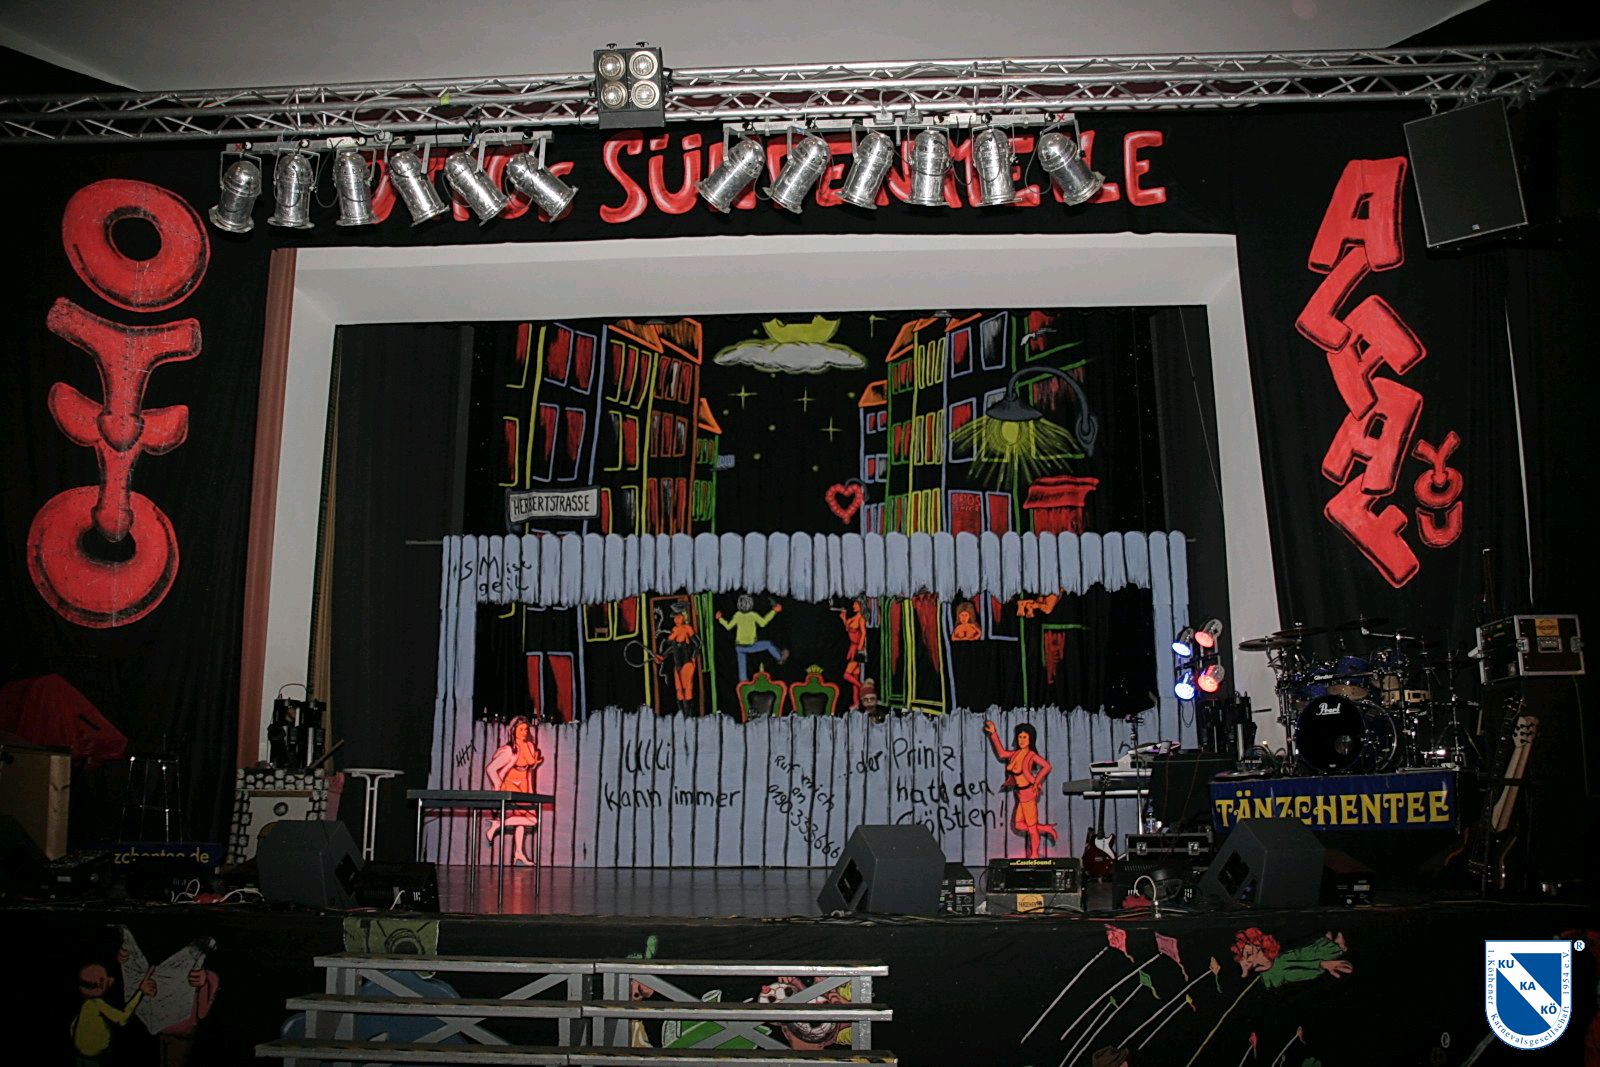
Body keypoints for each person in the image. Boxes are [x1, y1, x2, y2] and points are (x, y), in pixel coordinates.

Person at [983, 720, 1057, 858]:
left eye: (1025, 737)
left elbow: (1047, 766)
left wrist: (1037, 781)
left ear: (1030, 739)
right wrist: (993, 733)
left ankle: (1034, 854)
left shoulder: (1031, 755)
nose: (1021, 740)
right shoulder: (1015, 754)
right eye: (1019, 737)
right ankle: (1045, 828)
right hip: (1020, 794)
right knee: (1018, 825)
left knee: (1031, 828)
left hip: (1028, 793)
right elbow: (1001, 753)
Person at [484, 716, 543, 866]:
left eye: (526, 729)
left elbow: (529, 769)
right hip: (509, 783)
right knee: (533, 820)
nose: (524, 732)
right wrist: (497, 785)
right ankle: (498, 825)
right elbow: (490, 769)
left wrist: (530, 791)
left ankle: (518, 853)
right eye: (521, 729)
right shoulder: (509, 750)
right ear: (513, 730)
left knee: (524, 820)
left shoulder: (529, 746)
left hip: (523, 783)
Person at [72, 961, 155, 1065]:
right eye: (104, 979)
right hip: (93, 1059)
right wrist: (140, 992)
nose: (111, 979)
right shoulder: (95, 1003)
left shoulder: (86, 1005)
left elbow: (73, 1027)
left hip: (83, 1056)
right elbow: (123, 1019)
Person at [716, 595, 788, 681]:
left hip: (739, 646)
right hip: (751, 645)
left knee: (742, 664)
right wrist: (774, 611)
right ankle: (779, 658)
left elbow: (728, 626)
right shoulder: (753, 615)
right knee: (768, 644)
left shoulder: (738, 615)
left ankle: (743, 681)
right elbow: (763, 623)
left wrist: (720, 619)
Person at [655, 609, 703, 715]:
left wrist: (693, 656)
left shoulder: (688, 628)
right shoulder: (674, 630)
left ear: (684, 617)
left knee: (687, 689)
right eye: (675, 617)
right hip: (677, 665)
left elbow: (698, 644)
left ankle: (689, 714)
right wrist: (662, 656)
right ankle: (682, 714)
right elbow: (672, 646)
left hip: (687, 663)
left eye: (678, 616)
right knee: (679, 690)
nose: (676, 619)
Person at [837, 601, 867, 709]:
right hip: (852, 647)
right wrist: (843, 618)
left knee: (847, 675)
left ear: (861, 606)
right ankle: (856, 703)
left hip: (858, 648)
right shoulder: (853, 618)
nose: (854, 606)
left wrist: (860, 648)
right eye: (854, 604)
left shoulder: (861, 618)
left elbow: (863, 633)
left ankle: (863, 688)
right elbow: (848, 629)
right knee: (854, 678)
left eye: (856, 604)